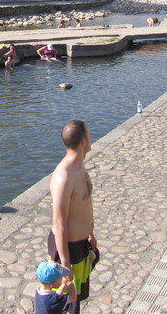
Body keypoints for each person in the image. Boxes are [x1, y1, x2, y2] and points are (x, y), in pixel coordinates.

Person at [49, 120, 99, 313]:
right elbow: (59, 223)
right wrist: (65, 265)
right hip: (67, 249)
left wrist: (90, 232)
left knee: (76, 299)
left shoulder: (80, 168)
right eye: (89, 133)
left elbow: (84, 205)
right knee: (65, 303)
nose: (91, 136)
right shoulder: (64, 176)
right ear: (84, 142)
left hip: (81, 244)